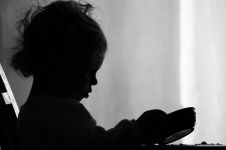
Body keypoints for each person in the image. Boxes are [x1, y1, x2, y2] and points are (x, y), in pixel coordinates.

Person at [11, 1, 170, 150]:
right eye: (89, 71)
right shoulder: (56, 114)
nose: (94, 81)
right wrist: (136, 130)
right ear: (58, 63)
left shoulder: (32, 112)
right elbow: (98, 146)